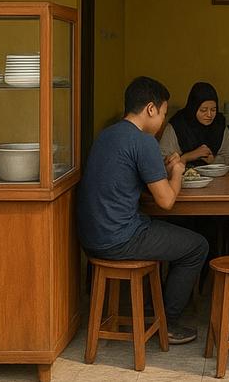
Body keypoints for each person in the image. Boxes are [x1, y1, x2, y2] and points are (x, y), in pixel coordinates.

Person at [76, 76, 209, 345]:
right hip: (119, 238)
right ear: (150, 109)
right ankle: (167, 322)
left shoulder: (107, 134)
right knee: (197, 246)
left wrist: (162, 167)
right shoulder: (144, 140)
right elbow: (167, 201)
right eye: (162, 112)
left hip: (91, 238)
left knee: (167, 235)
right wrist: (178, 171)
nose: (162, 120)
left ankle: (153, 307)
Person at [159, 81, 229, 167]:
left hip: (217, 178)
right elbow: (162, 163)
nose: (209, 115)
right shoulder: (178, 125)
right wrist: (188, 157)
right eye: (203, 110)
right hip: (182, 178)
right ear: (193, 108)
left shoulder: (218, 125)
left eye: (213, 110)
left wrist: (214, 160)